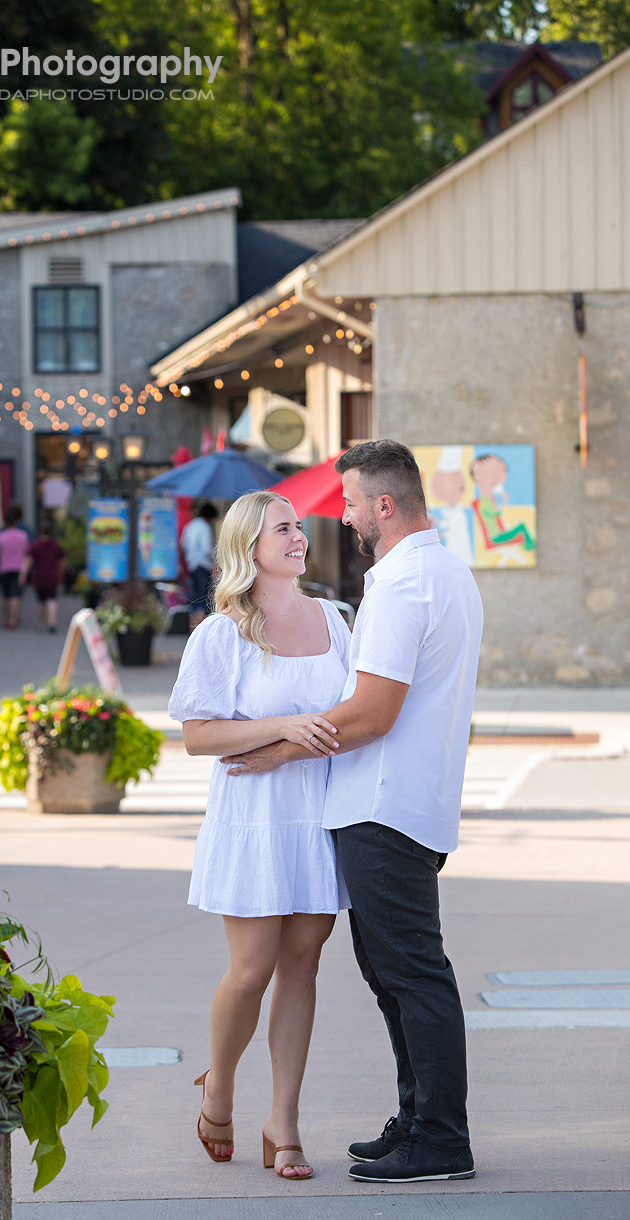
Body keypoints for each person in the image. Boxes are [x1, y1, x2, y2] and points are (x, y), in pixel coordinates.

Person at [220, 440, 483, 1185]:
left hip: (383, 808)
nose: (342, 516)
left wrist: (278, 749)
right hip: (409, 801)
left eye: (350, 503)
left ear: (385, 506)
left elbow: (370, 714)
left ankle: (439, 1137)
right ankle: (416, 1117)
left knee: (411, 972)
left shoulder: (402, 585)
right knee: (392, 970)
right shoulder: (445, 571)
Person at [168, 491, 352, 1180]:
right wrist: (280, 728)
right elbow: (196, 736)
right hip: (252, 820)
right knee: (250, 972)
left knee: (301, 967)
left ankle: (284, 1122)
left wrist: (302, 738)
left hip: (320, 816)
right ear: (249, 546)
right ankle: (218, 1086)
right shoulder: (222, 633)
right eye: (283, 528)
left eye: (300, 526)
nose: (299, 536)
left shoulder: (335, 619)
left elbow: (355, 713)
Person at [20, 516, 66, 633]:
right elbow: (62, 560)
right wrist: (60, 573)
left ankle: (41, 623)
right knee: (52, 600)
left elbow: (28, 561)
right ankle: (52, 622)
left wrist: (23, 575)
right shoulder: (55, 545)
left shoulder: (35, 545)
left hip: (39, 577)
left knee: (41, 601)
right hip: (52, 576)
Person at [180, 501, 218, 629]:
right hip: (203, 565)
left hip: (191, 565)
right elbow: (207, 549)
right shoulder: (205, 527)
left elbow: (183, 544)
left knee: (195, 598)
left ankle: (192, 629)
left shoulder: (190, 525)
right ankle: (200, 629)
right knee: (203, 599)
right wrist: (215, 561)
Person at [0, 503, 29, 630]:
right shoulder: (23, 535)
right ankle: (13, 619)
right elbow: (26, 553)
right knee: (16, 595)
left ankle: (5, 618)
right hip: (18, 567)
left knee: (5, 595)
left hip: (4, 568)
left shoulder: (0, 536)